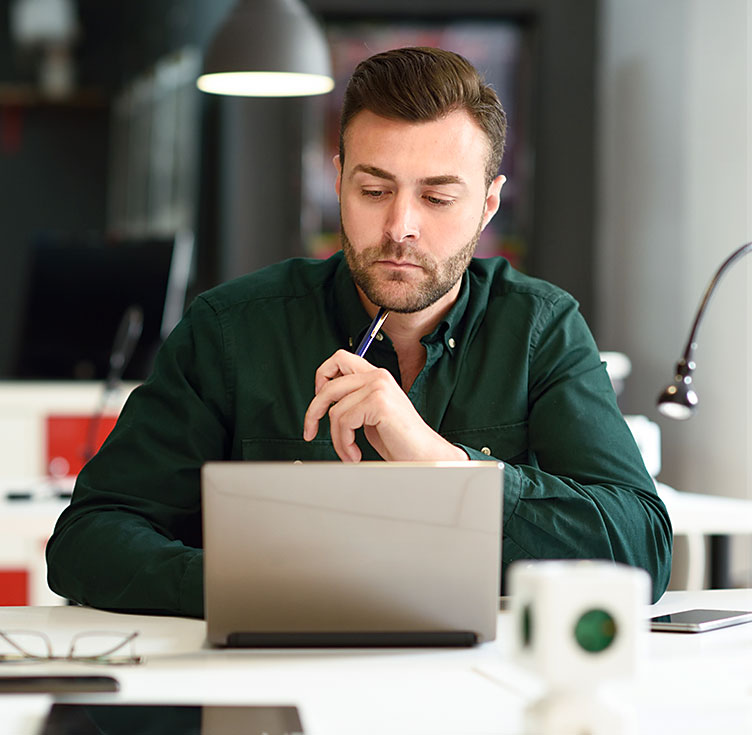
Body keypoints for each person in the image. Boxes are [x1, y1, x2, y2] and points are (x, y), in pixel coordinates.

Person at [46, 47, 672, 618]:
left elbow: (641, 544)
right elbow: (88, 539)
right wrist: (253, 584)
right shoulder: (232, 328)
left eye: (437, 198)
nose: (400, 226)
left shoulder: (540, 326)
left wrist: (440, 463)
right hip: (271, 679)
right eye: (374, 189)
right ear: (340, 180)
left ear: (488, 204)